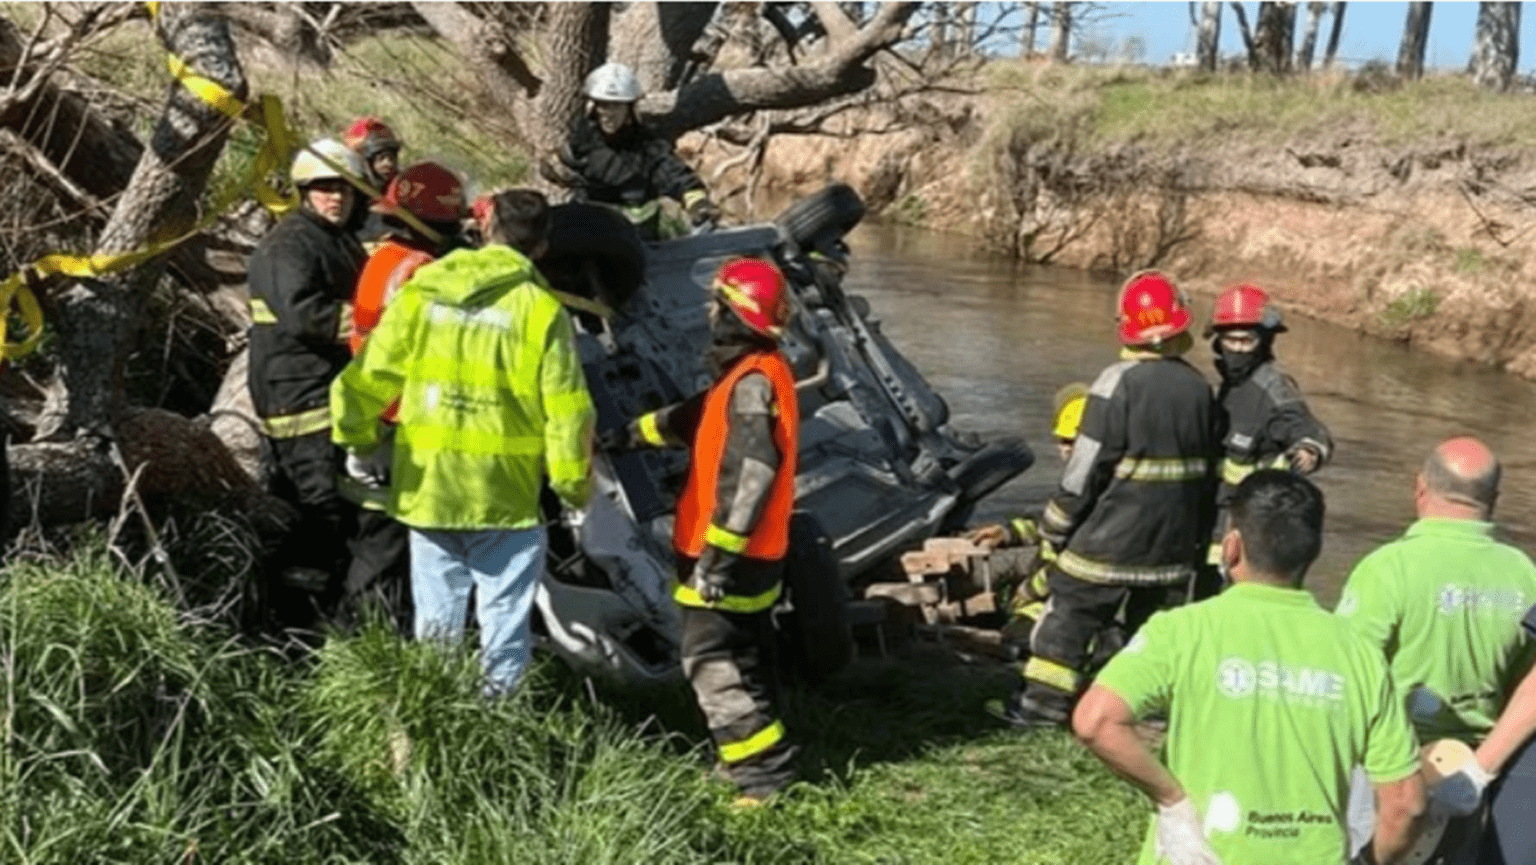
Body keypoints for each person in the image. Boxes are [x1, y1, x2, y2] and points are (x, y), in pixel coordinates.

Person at [1074, 470, 1425, 865]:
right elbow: (1406, 804)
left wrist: (1173, 803)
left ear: (1232, 547)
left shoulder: (1182, 631)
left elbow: (1096, 721)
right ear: (1313, 552)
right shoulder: (1359, 654)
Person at [330, 190, 595, 694]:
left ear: (484, 229)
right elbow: (568, 412)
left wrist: (358, 443)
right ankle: (498, 734)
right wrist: (572, 489)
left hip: (430, 488)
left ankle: (438, 726)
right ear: (541, 248)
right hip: (505, 498)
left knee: (436, 625)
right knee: (504, 631)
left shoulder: (425, 290)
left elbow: (370, 375)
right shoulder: (541, 311)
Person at [611, 257, 799, 804]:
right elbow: (691, 419)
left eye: (716, 303)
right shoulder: (755, 376)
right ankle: (751, 758)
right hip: (759, 554)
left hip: (728, 559)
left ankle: (762, 778)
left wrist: (717, 559)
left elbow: (752, 472)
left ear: (733, 315)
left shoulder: (750, 384)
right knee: (747, 659)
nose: (707, 312)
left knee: (711, 665)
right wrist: (625, 436)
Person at [998, 271, 1217, 728]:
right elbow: (1207, 480)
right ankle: (1146, 721)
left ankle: (1039, 712)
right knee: (1151, 639)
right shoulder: (1201, 390)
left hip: (1107, 546)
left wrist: (1056, 526)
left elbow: (1084, 472)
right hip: (1170, 552)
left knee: (1066, 625)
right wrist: (1194, 548)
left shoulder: (1116, 383)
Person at [1336, 436, 1536, 862]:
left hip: (1390, 777)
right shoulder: (1523, 574)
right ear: (1494, 500)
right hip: (1472, 775)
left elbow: (1345, 676)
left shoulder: (1387, 568)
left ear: (1420, 487)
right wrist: (1480, 769)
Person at [338, 161, 472, 634]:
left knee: (381, 539)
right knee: (394, 543)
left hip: (377, 414)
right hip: (405, 420)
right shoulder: (421, 270)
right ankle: (374, 635)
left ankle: (368, 634)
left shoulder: (383, 258)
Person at [247, 138, 369, 628]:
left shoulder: (335, 238)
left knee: (333, 508)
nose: (335, 197)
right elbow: (307, 315)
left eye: (344, 188)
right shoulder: (291, 245)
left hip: (323, 391)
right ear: (303, 191)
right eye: (323, 188)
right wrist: (379, 327)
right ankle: (297, 627)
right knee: (319, 512)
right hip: (299, 397)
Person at [1201, 283, 1332, 597]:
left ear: (1264, 341)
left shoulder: (1273, 388)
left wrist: (1307, 451)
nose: (1237, 349)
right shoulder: (1228, 386)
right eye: (1229, 340)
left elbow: (1308, 430)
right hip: (1212, 526)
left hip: (1247, 532)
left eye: (1246, 340)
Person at [966, 382, 1089, 638]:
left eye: (1073, 442)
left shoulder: (1096, 488)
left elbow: (1075, 563)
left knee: (1017, 637)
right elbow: (1052, 523)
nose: (1066, 449)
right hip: (1055, 580)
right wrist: (1008, 533)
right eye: (1062, 441)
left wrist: (1029, 591)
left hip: (1072, 595)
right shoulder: (1077, 480)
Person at [549, 61, 718, 239]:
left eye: (616, 105)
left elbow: (674, 174)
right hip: (590, 226)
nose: (608, 113)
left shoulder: (648, 145)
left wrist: (698, 203)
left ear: (630, 109)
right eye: (603, 105)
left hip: (640, 231)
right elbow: (560, 166)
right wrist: (556, 169)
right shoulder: (581, 139)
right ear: (592, 108)